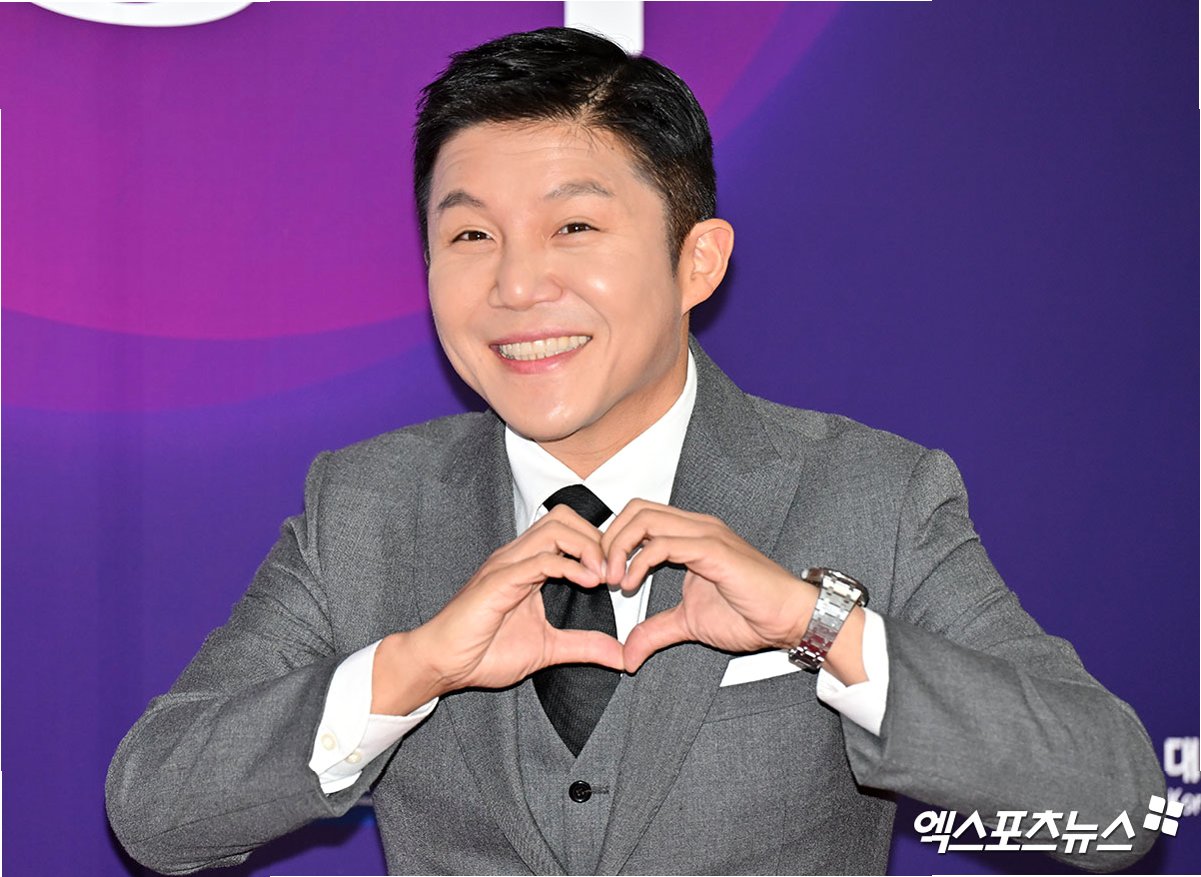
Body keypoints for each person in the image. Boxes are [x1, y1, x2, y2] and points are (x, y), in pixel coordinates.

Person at [107, 26, 1164, 876]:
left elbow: (1115, 808)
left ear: (696, 260)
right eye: (470, 235)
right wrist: (411, 667)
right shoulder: (365, 506)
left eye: (573, 228)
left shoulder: (871, 493)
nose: (516, 285)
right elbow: (156, 811)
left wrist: (818, 626)